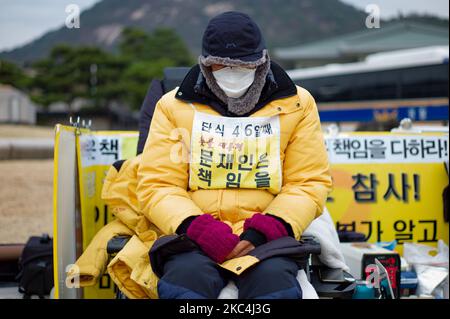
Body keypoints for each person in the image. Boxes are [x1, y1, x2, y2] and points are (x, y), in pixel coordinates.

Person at [137, 11, 332, 299]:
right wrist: (198, 228)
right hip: (194, 238)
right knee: (184, 282)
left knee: (275, 284)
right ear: (205, 65)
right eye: (221, 66)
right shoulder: (172, 106)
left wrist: (265, 231)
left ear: (261, 60)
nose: (232, 72)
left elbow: (308, 181)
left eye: (243, 65)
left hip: (267, 238)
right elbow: (157, 183)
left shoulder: (297, 104)